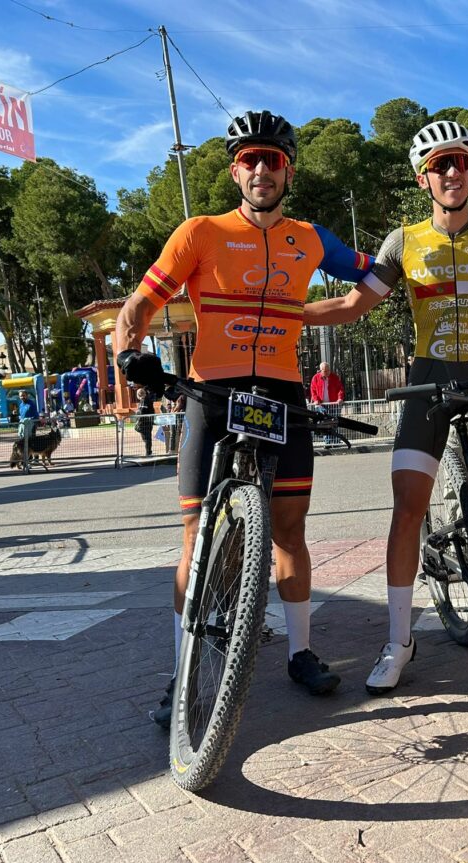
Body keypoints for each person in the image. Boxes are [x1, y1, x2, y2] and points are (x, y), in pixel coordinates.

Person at [114, 110, 375, 723]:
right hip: (212, 393)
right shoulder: (199, 232)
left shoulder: (311, 238)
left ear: (288, 170)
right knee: (196, 537)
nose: (262, 169)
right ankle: (182, 672)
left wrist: (316, 310)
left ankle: (302, 651)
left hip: (282, 393)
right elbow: (139, 306)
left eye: (274, 160)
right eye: (250, 160)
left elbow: (370, 277)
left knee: (289, 531)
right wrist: (131, 356)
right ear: (236, 170)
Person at [304, 119, 468, 694]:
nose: (451, 172)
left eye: (460, 163)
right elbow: (352, 304)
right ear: (424, 179)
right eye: (439, 165)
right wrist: (290, 314)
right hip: (426, 384)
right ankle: (399, 642)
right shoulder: (404, 241)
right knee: (408, 508)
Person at [309, 362, 345, 447]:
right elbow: (313, 390)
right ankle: (328, 442)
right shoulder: (315, 378)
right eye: (325, 371)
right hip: (321, 405)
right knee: (326, 422)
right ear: (321, 371)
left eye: (328, 370)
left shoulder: (334, 377)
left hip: (333, 404)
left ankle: (335, 441)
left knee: (334, 422)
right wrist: (316, 400)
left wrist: (340, 398)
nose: (327, 372)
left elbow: (340, 389)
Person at [134, 388, 155, 456]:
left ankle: (148, 452)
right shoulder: (147, 400)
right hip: (147, 421)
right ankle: (148, 451)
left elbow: (142, 411)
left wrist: (138, 420)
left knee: (146, 438)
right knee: (147, 437)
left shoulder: (144, 400)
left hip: (144, 422)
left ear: (138, 394)